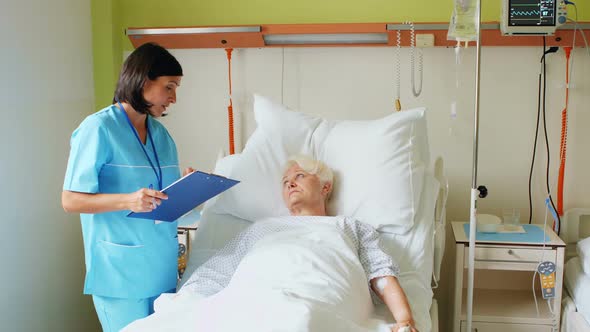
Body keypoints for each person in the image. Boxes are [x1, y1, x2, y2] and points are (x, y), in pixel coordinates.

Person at [180, 155, 417, 332]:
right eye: (285, 181)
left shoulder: (349, 227)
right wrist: (185, 305)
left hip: (321, 298)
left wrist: (405, 320)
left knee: (302, 319)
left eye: (300, 176)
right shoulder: (261, 228)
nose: (290, 183)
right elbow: (216, 272)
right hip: (256, 298)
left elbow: (381, 273)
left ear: (326, 187)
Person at [62, 42, 193, 332]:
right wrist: (127, 201)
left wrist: (189, 186)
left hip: (162, 270)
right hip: (120, 273)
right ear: (144, 81)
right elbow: (70, 200)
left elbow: (163, 198)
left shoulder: (162, 135)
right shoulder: (98, 129)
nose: (173, 98)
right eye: (169, 87)